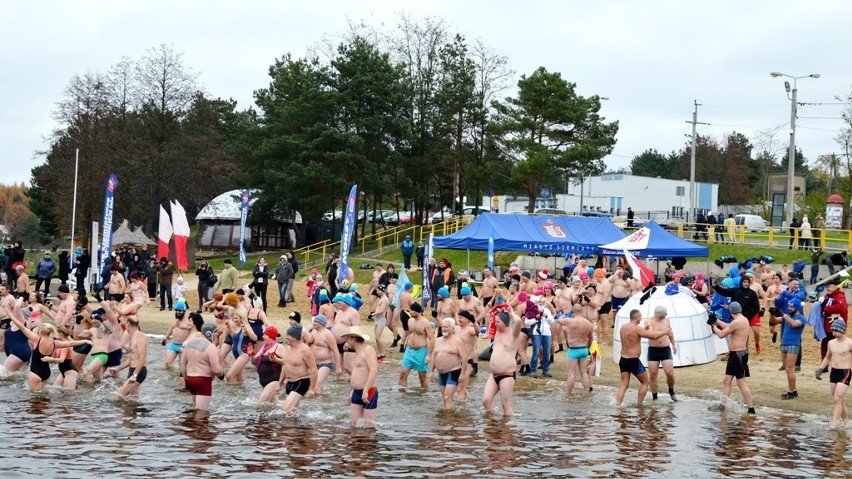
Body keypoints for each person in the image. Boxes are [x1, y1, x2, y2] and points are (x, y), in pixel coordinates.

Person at [3, 297, 91, 391]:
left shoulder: (36, 339)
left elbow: (22, 327)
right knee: (45, 397)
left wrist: (10, 315)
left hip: (35, 373)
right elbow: (71, 343)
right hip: (46, 373)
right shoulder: (55, 343)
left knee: (35, 399)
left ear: (41, 331)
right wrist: (85, 341)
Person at [614, 309, 671, 406]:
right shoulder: (636, 329)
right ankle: (639, 404)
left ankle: (617, 405)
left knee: (624, 385)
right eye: (640, 316)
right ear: (636, 317)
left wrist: (647, 329)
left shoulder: (623, 327)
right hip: (633, 361)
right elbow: (653, 336)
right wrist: (665, 332)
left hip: (623, 359)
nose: (641, 318)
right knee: (645, 382)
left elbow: (637, 336)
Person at [708, 302, 756, 414]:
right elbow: (730, 327)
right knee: (727, 380)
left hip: (738, 355)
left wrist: (713, 325)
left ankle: (751, 408)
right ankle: (722, 405)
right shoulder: (742, 319)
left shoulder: (737, 321)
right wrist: (717, 321)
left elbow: (721, 335)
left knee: (741, 382)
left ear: (731, 311)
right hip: (736, 355)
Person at [482, 308, 523, 416]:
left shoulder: (513, 334)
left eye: (498, 321)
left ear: (505, 322)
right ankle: (493, 424)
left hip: (507, 375)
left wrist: (512, 312)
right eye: (495, 321)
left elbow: (518, 322)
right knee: (486, 401)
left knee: (505, 404)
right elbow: (487, 317)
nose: (495, 323)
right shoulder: (497, 332)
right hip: (493, 375)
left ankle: (507, 430)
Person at [180, 312, 224, 411]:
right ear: (211, 333)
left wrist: (186, 378)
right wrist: (222, 375)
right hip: (203, 380)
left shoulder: (189, 344)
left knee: (195, 409)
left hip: (190, 379)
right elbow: (216, 370)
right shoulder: (210, 347)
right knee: (201, 412)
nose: (217, 335)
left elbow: (182, 364)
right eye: (216, 333)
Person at [270, 324, 317, 413]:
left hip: (301, 382)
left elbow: (313, 369)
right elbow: (285, 367)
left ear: (294, 337)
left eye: (288, 335)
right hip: (290, 383)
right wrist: (279, 384)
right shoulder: (287, 349)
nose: (286, 337)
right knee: (293, 412)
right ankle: (296, 427)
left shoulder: (304, 350)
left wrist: (312, 389)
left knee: (285, 410)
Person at [815, 319, 852, 429]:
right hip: (834, 372)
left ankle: (833, 424)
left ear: (842, 330)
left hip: (846, 372)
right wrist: (820, 369)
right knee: (838, 399)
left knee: (837, 398)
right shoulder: (831, 343)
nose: (834, 333)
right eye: (833, 331)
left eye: (836, 331)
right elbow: (827, 357)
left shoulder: (849, 343)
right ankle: (846, 422)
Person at [555, 304, 594, 396]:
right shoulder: (588, 323)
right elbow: (591, 338)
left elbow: (559, 320)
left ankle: (568, 394)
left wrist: (564, 314)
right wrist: (587, 348)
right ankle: (586, 392)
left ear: (573, 311)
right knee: (584, 373)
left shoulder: (570, 321)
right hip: (584, 348)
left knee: (571, 373)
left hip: (573, 349)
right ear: (582, 311)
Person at [771, 298, 804, 400]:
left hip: (793, 344)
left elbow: (795, 324)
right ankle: (793, 391)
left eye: (791, 306)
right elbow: (774, 321)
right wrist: (772, 314)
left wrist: (783, 315)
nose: (789, 308)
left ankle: (791, 392)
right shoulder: (788, 316)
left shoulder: (801, 318)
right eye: (789, 306)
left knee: (790, 368)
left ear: (797, 307)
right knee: (787, 368)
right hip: (784, 344)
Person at [344, 331, 379, 428]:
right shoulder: (357, 351)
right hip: (356, 391)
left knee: (369, 427)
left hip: (368, 391)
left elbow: (374, 370)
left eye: (348, 339)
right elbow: (357, 372)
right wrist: (352, 390)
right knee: (354, 425)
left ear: (353, 339)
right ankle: (356, 443)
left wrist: (366, 390)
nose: (346, 341)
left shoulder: (368, 350)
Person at [429, 317, 465, 410]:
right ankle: (450, 413)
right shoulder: (438, 340)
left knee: (447, 397)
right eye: (442, 327)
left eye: (446, 327)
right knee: (445, 398)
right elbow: (433, 356)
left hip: (453, 371)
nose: (444, 329)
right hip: (441, 373)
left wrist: (462, 374)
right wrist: (431, 371)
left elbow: (464, 358)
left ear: (452, 328)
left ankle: (448, 420)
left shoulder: (457, 341)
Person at [646, 305, 678, 402]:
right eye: (664, 314)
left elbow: (670, 333)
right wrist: (664, 332)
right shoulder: (649, 321)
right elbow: (651, 335)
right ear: (659, 315)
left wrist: (673, 344)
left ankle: (671, 390)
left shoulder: (667, 320)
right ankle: (655, 396)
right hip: (653, 349)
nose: (665, 315)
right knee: (653, 374)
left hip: (665, 349)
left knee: (669, 372)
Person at [112, 317, 148, 402]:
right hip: (133, 370)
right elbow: (131, 359)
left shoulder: (140, 336)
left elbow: (143, 357)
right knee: (133, 399)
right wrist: (118, 368)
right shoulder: (133, 337)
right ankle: (132, 413)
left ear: (128, 324)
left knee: (118, 396)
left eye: (125, 325)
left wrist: (134, 375)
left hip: (139, 372)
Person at [398, 303, 434, 389]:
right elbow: (407, 333)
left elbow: (431, 339)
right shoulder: (410, 321)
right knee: (403, 373)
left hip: (421, 351)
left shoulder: (426, 323)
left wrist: (429, 355)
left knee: (422, 376)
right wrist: (403, 344)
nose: (410, 312)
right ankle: (402, 394)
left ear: (417, 311)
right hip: (409, 350)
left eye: (412, 310)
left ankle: (423, 395)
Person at [308, 314, 342, 394]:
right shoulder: (313, 333)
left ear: (321, 323)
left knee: (316, 387)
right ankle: (321, 401)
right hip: (313, 364)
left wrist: (338, 367)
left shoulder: (328, 334)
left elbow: (335, 350)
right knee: (311, 387)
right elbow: (306, 348)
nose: (313, 323)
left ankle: (318, 405)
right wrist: (308, 342)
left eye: (315, 322)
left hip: (325, 364)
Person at [819, 279, 848, 370]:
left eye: (829, 286)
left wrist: (826, 309)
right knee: (825, 346)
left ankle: (839, 366)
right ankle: (824, 367)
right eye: (827, 287)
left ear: (835, 287)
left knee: (837, 347)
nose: (827, 288)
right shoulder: (829, 296)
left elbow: (841, 307)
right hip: (828, 325)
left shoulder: (840, 296)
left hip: (836, 326)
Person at [162, 301, 193, 372]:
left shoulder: (189, 319)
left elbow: (193, 332)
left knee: (182, 367)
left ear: (184, 311)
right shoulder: (176, 318)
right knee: (167, 364)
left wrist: (188, 343)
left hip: (183, 346)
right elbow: (171, 328)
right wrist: (165, 338)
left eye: (180, 311)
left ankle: (182, 380)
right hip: (173, 344)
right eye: (176, 310)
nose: (178, 312)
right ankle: (172, 378)